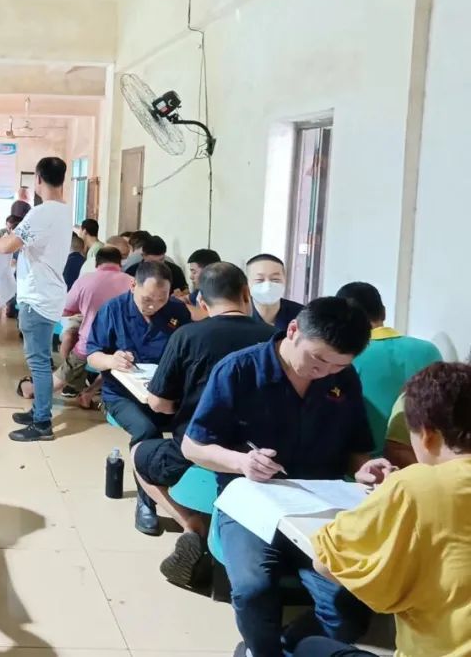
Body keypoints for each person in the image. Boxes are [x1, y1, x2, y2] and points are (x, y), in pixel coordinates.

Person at [182, 298, 384, 657]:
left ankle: (286, 648)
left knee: (349, 607)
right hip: (250, 500)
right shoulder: (239, 370)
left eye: (338, 365)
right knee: (253, 589)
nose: (324, 372)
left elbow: (356, 446)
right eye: (318, 359)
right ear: (293, 330)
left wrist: (364, 470)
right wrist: (242, 462)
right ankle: (261, 651)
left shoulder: (343, 377)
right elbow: (192, 446)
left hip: (320, 505)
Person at [296, 362, 471, 657]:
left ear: (426, 434)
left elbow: (326, 562)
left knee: (309, 648)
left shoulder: (415, 486)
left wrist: (388, 499)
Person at [137, 263, 273, 573]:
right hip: (261, 454)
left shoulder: (188, 335)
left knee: (139, 453)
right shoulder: (273, 339)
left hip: (195, 449)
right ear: (246, 293)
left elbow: (159, 403)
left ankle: (191, 524)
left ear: (201, 301)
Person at [0, 156, 73, 443]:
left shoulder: (41, 213)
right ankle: (38, 409)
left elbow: (7, 246)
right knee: (41, 359)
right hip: (49, 293)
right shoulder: (64, 211)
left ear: (37, 179)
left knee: (39, 363)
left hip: (37, 296)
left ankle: (42, 422)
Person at [87, 261, 192, 444]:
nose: (153, 306)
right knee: (147, 431)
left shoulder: (177, 310)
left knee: (193, 430)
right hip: (123, 395)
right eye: (147, 299)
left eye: (162, 299)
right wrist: (111, 360)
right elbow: (92, 356)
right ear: (133, 285)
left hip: (164, 392)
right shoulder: (113, 309)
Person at [335, 281, 442, 452]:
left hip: (364, 461)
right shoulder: (429, 351)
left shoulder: (344, 357)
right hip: (423, 458)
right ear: (384, 312)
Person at [54, 246, 133, 402]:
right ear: (120, 263)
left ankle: (37, 393)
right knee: (118, 365)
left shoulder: (85, 280)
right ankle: (89, 393)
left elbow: (65, 309)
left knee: (64, 373)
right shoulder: (132, 282)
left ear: (97, 263)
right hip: (121, 343)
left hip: (88, 342)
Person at [247, 253, 304, 332]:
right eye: (259, 280)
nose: (268, 286)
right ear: (247, 283)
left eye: (275, 279)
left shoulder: (302, 315)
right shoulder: (238, 317)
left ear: (285, 280)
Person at [124, 235, 190, 296]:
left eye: (161, 260)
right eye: (152, 262)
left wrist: (181, 295)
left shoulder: (175, 270)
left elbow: (186, 292)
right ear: (143, 255)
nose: (157, 265)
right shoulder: (132, 271)